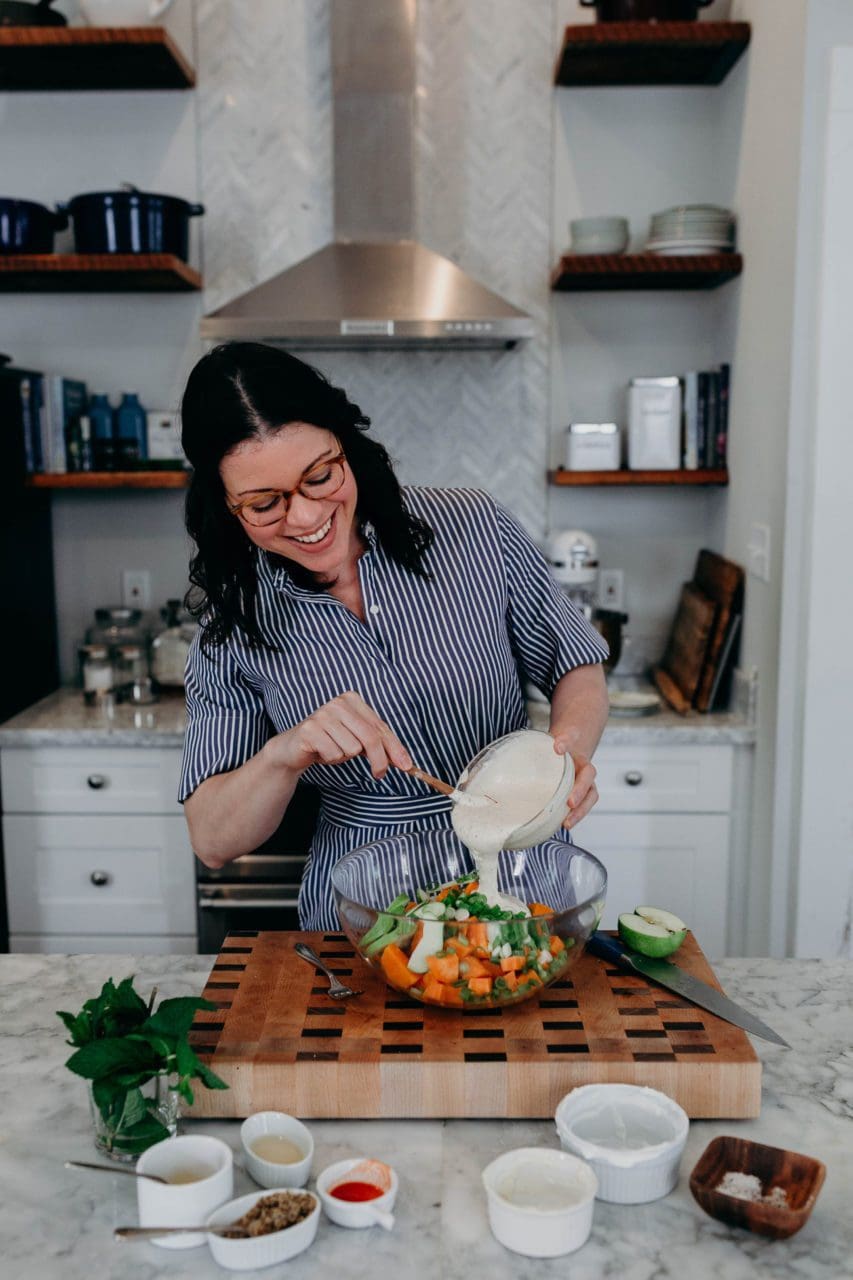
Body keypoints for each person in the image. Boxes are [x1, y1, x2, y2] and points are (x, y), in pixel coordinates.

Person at [178, 342, 610, 930]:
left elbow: (576, 665)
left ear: (346, 449)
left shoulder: (472, 526)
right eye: (264, 504)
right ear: (227, 508)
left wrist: (566, 758)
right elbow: (212, 838)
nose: (305, 518)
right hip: (359, 918)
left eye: (319, 477)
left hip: (523, 884)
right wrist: (287, 753)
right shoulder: (231, 623)